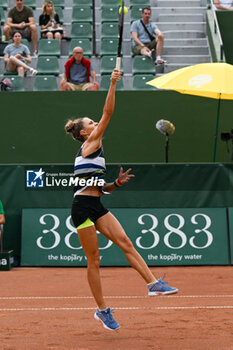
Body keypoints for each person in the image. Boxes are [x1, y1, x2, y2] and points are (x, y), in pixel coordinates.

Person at [65, 69, 178, 331]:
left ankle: (153, 284)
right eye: (90, 123)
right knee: (94, 260)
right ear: (84, 133)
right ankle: (102, 311)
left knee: (125, 242)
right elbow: (108, 114)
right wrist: (113, 83)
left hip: (96, 204)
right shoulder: (91, 143)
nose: (96, 124)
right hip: (81, 210)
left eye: (94, 123)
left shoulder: (91, 153)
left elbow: (98, 188)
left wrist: (114, 184)